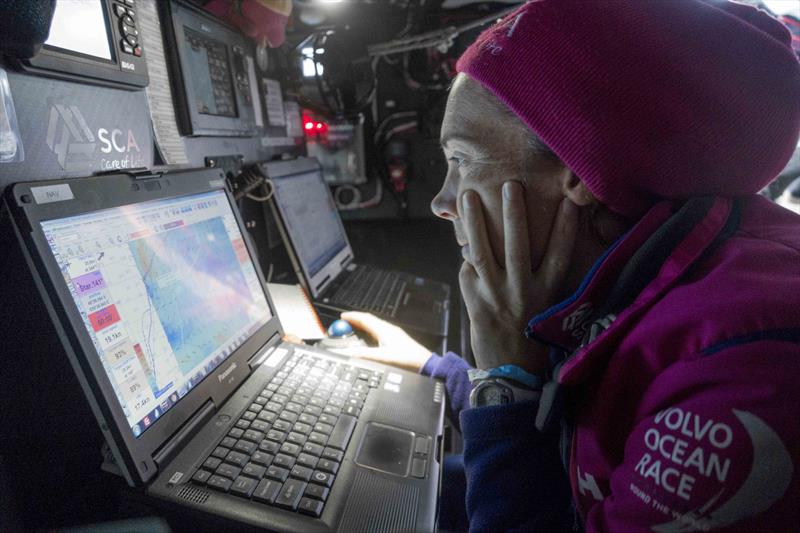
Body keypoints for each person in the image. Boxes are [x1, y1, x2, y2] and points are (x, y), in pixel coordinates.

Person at [340, 0, 800, 531]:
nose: (441, 202)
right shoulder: (630, 272)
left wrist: (504, 385)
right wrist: (435, 368)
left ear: (579, 169)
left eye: (462, 160)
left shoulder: (747, 364)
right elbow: (564, 425)